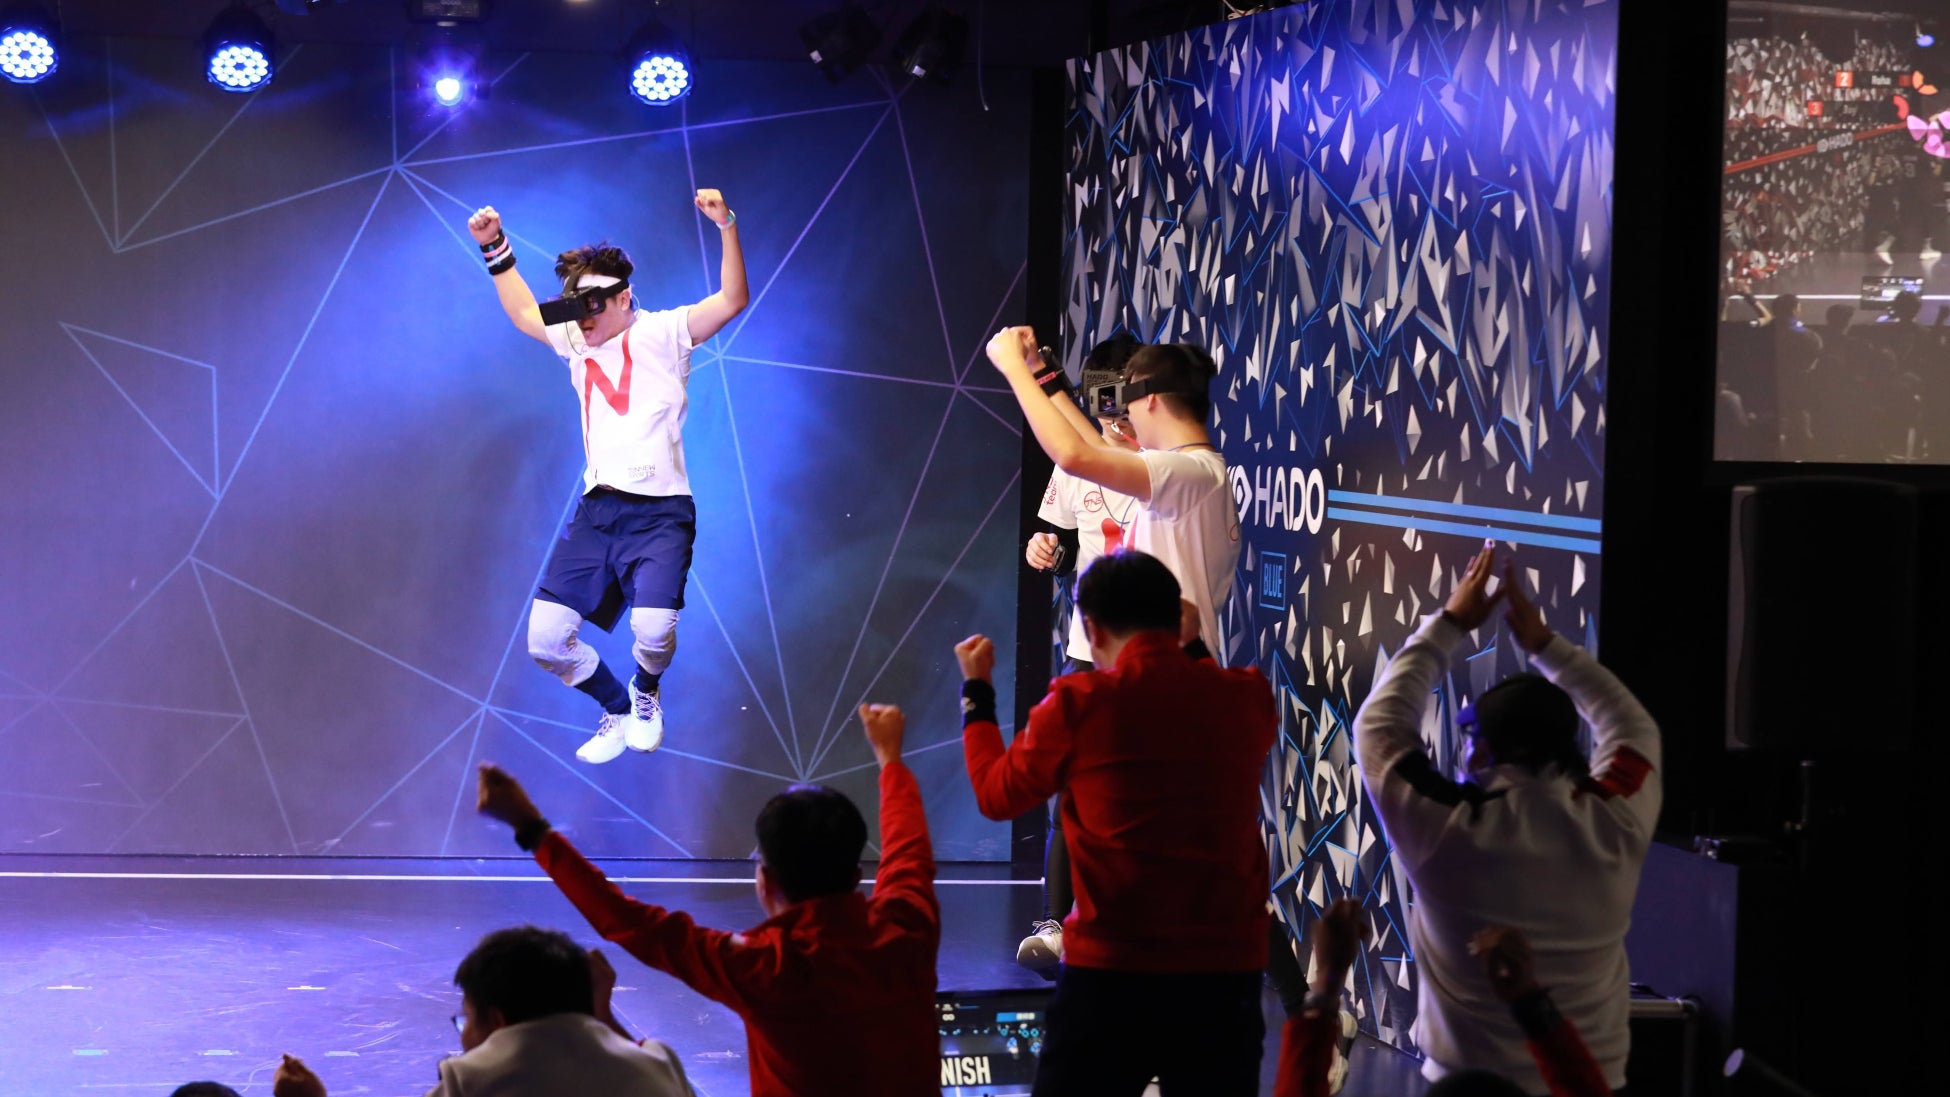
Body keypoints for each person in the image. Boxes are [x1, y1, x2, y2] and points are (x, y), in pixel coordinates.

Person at [474, 703, 939, 1097]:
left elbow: (631, 923)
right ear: (857, 876)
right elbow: (908, 848)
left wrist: (530, 827)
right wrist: (891, 760)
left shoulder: (767, 968)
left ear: (765, 881)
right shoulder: (907, 927)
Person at [957, 550, 1277, 1096]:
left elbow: (995, 794)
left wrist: (977, 693)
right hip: (1224, 978)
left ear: (1091, 629)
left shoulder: (1080, 702)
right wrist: (1191, 645)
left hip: (1111, 974)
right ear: (1177, 619)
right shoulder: (1246, 697)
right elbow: (1206, 683)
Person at [1353, 543, 1660, 1095]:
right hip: (1589, 1081)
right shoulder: (1618, 819)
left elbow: (1377, 725)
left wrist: (1451, 622)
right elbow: (1633, 728)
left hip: (1464, 1085)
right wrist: (1546, 646)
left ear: (1482, 753)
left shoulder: (1449, 828)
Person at [466, 192, 748, 764]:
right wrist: (494, 246)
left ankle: (646, 692)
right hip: (598, 511)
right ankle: (617, 707)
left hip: (661, 511)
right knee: (546, 641)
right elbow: (524, 314)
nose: (583, 319)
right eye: (575, 307)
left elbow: (732, 299)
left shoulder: (664, 332)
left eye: (593, 305)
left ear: (624, 298)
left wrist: (726, 226)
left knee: (654, 629)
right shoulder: (577, 339)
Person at [988, 326, 1240, 661]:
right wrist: (1038, 370)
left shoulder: (1184, 472)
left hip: (1166, 670)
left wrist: (1013, 368)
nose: (1122, 418)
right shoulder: (1197, 469)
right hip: (1167, 665)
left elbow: (1074, 455)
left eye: (1127, 403)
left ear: (1150, 400)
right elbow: (1093, 447)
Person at [1017, 333, 1142, 973]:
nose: (1113, 419)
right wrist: (1048, 551)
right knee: (1071, 792)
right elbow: (1063, 543)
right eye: (1102, 404)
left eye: (1122, 403)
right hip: (1088, 654)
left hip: (1153, 661)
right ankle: (1056, 922)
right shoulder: (1074, 462)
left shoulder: (1168, 465)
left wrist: (1031, 369)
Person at [271, 927, 693, 1097]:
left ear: (497, 1021)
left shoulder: (470, 1084)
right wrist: (600, 1013)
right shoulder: (662, 1067)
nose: (463, 1036)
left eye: (467, 1019)